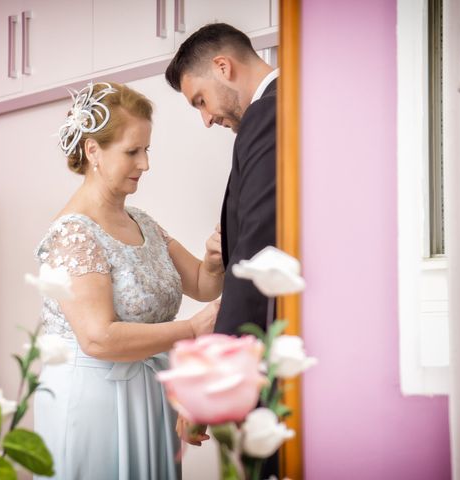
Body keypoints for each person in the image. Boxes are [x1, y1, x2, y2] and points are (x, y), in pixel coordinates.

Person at [33, 81, 222, 480]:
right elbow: (98, 338)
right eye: (132, 151)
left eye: (147, 149)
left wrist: (214, 258)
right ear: (93, 151)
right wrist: (190, 329)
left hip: (149, 394)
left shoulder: (143, 222)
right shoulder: (73, 234)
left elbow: (204, 285)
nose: (145, 164)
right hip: (94, 402)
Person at [165, 23, 280, 476]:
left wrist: (207, 383)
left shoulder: (266, 114)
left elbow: (256, 254)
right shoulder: (287, 106)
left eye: (200, 101)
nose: (206, 118)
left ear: (223, 67)